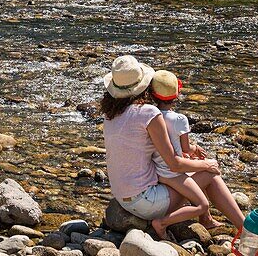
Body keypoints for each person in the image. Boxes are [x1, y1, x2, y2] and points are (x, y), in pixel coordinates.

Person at [101, 55, 244, 241]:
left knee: (190, 173)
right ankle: (248, 231)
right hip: (146, 202)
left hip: (122, 196)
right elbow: (174, 164)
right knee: (210, 174)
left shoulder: (110, 115)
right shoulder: (148, 113)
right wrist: (207, 164)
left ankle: (206, 218)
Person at [150, 70, 219, 236]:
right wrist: (194, 151)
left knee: (199, 172)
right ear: (176, 95)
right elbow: (186, 149)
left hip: (158, 170)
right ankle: (162, 223)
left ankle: (206, 220)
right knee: (202, 203)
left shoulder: (150, 115)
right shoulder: (179, 119)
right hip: (172, 173)